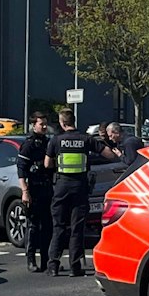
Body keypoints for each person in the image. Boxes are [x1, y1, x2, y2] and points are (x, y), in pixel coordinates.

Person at [46, 108, 98, 276]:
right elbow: (108, 154)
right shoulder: (85, 139)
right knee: (77, 228)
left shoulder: (56, 140)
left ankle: (53, 266)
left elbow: (47, 164)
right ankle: (75, 267)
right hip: (80, 187)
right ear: (74, 121)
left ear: (62, 123)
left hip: (61, 187)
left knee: (58, 227)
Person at [15, 110, 53, 273]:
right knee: (33, 226)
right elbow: (21, 169)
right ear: (33, 125)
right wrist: (25, 191)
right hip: (34, 189)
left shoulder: (48, 142)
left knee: (47, 226)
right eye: (41, 124)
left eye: (45, 124)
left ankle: (46, 260)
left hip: (47, 188)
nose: (44, 127)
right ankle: (31, 259)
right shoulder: (29, 144)